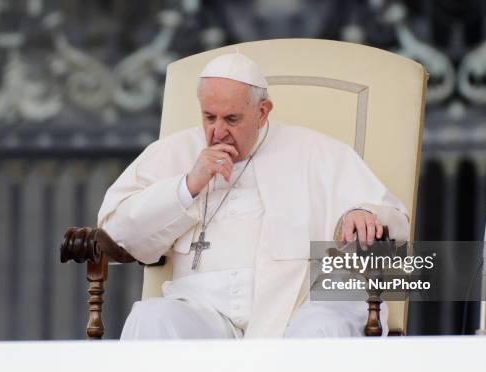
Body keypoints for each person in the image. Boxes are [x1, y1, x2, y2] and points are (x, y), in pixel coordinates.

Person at [97, 52, 409, 339]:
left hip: (293, 310)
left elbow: (391, 216)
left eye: (232, 119)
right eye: (209, 117)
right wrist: (186, 187)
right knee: (152, 317)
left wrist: (363, 213)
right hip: (204, 312)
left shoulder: (316, 152)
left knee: (322, 326)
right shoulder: (173, 152)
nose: (218, 132)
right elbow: (116, 230)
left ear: (262, 112)